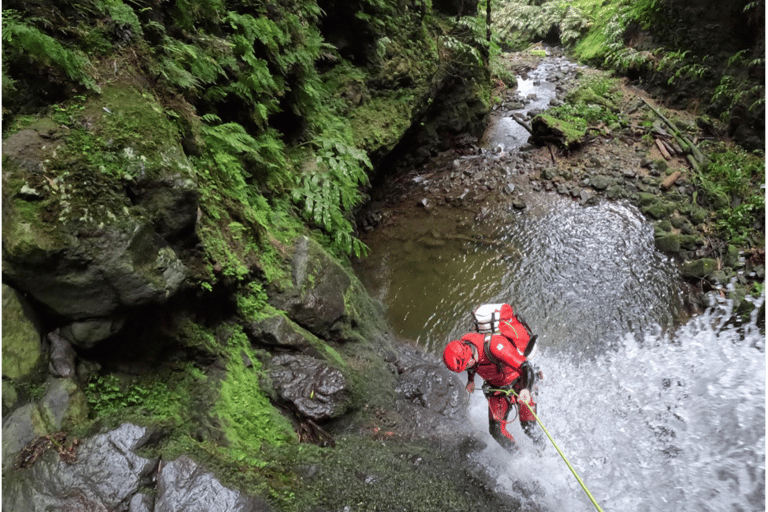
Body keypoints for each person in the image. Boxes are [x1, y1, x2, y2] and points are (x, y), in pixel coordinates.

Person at [442, 303, 542, 453]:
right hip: (497, 389)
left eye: (466, 366)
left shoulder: (495, 346)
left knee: (528, 426)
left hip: (520, 383)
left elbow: (526, 368)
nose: (467, 368)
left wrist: (526, 390)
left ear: (468, 356)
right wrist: (470, 380)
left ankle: (542, 448)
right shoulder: (467, 346)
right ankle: (518, 455)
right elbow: (471, 367)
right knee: (496, 431)